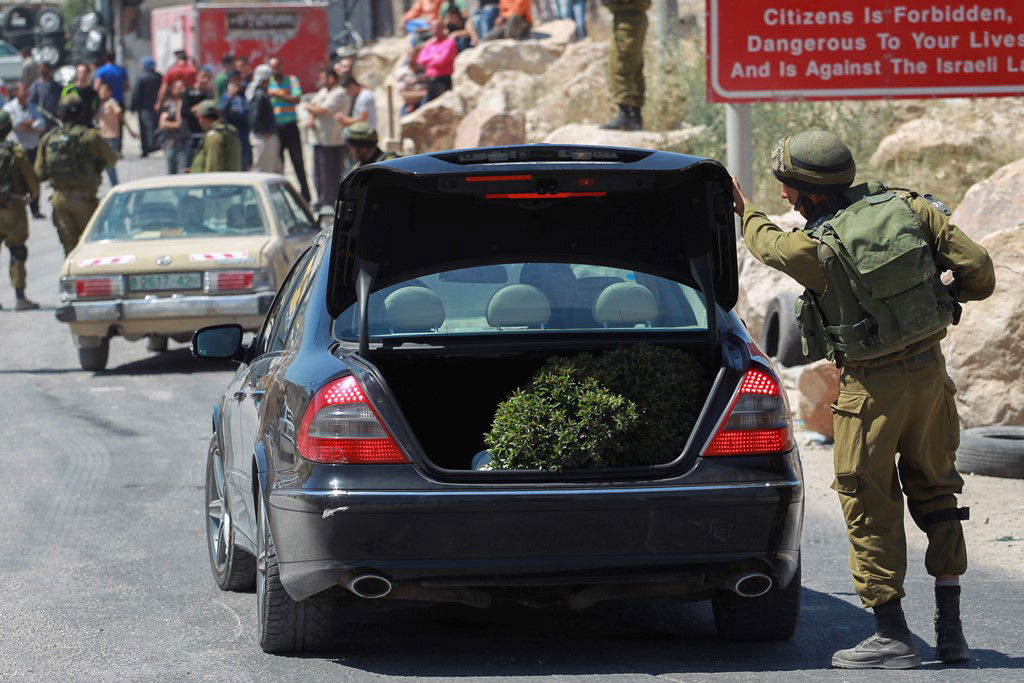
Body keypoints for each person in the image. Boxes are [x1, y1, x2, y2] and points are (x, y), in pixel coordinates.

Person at [731, 130, 996, 670]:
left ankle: (892, 636)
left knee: (869, 504)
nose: (784, 197)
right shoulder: (912, 208)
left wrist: (743, 206)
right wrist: (943, 299)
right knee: (940, 493)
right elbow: (981, 271)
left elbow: (765, 244)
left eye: (788, 188)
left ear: (805, 194)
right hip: (931, 382)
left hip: (869, 392)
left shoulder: (813, 249)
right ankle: (952, 635)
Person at [34, 95, 117, 255]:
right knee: (91, 250)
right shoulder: (91, 136)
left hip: (60, 202)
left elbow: (40, 173)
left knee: (70, 251)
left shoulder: (49, 138)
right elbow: (111, 160)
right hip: (85, 201)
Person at [0, 109, 42, 310]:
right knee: (17, 251)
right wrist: (32, 195)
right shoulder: (15, 152)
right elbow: (32, 180)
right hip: (13, 209)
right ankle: (20, 298)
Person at [304, 67, 349, 211]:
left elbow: (321, 110)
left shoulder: (339, 93)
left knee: (330, 174)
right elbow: (314, 105)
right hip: (318, 139)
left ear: (331, 78)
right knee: (317, 173)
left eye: (323, 78)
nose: (321, 81)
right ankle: (320, 200)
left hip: (332, 141)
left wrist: (309, 108)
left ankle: (329, 202)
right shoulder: (324, 92)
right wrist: (311, 115)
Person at [599, 0, 648, 131]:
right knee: (634, 66)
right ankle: (635, 116)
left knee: (621, 66)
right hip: (630, 18)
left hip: (628, 20)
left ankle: (625, 114)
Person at [267, 57, 311, 201]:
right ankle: (281, 198)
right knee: (279, 165)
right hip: (276, 129)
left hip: (291, 127)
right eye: (272, 68)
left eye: (277, 67)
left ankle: (306, 196)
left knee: (298, 162)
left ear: (282, 66)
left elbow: (296, 99)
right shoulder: (268, 82)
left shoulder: (291, 80)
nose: (275, 71)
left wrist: (279, 94)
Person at [4, 83, 46, 218]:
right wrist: (29, 123)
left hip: (32, 149)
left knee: (34, 179)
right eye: (23, 90)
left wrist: (26, 125)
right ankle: (16, 208)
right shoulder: (9, 108)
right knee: (17, 180)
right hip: (16, 151)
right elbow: (15, 125)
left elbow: (41, 124)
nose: (27, 93)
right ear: (16, 93)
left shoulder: (33, 106)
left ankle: (35, 209)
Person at [96, 81, 137, 185]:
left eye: (104, 91)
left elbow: (121, 117)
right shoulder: (99, 104)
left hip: (111, 137)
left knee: (109, 163)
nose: (102, 93)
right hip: (102, 136)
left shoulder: (112, 103)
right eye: (101, 91)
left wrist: (130, 130)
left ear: (109, 92)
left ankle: (115, 185)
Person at [190, 100, 241, 173]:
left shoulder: (214, 135)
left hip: (216, 182)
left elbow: (213, 167)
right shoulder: (230, 131)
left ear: (201, 117)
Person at [247, 64, 280, 173]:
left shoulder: (260, 93)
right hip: (262, 138)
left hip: (264, 137)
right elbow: (253, 117)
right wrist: (263, 131)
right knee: (262, 171)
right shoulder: (258, 95)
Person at [417, 20, 458, 102]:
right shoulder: (430, 44)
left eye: (438, 28)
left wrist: (429, 61)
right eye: (433, 28)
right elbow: (420, 60)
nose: (435, 30)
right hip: (429, 81)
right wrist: (433, 57)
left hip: (442, 80)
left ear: (443, 28)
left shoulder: (449, 43)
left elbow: (442, 60)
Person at [157, 80, 192, 174]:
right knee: (171, 173)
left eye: (183, 87)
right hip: (170, 143)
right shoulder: (168, 104)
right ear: (173, 90)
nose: (182, 90)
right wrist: (175, 124)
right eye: (179, 88)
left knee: (183, 173)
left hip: (184, 143)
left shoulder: (186, 104)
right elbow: (162, 124)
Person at [131, 56, 162, 157]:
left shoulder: (141, 77)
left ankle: (146, 149)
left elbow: (136, 93)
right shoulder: (159, 77)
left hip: (143, 108)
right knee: (156, 126)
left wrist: (133, 107)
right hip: (157, 107)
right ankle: (156, 145)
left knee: (144, 128)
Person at [219, 71, 251, 169]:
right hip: (232, 133)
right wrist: (230, 96)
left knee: (244, 162)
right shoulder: (226, 96)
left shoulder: (244, 95)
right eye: (233, 81)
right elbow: (223, 112)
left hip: (244, 133)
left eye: (237, 81)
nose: (235, 84)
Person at [29, 62, 62, 132]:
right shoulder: (35, 86)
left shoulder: (57, 86)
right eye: (40, 68)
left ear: (49, 70)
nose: (41, 70)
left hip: (54, 121)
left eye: (44, 68)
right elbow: (31, 104)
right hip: (41, 122)